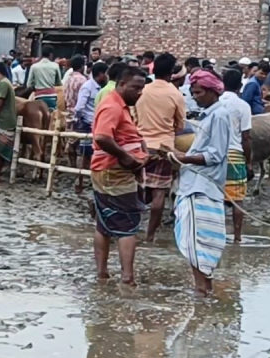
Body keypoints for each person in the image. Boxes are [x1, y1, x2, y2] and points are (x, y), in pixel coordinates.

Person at [170, 69, 231, 295]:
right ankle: (203, 289)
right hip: (196, 184)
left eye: (198, 93)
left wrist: (183, 157)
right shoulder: (209, 115)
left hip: (202, 187)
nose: (194, 97)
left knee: (198, 241)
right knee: (198, 240)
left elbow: (215, 155)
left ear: (212, 92)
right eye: (193, 93)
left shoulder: (219, 116)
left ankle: (202, 290)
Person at [91, 68, 148, 285]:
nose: (139, 93)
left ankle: (102, 274)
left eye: (141, 88)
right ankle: (127, 278)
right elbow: (102, 137)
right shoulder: (112, 106)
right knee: (127, 225)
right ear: (121, 84)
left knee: (104, 223)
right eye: (135, 88)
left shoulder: (119, 105)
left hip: (109, 170)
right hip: (115, 172)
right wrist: (126, 158)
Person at [135, 52, 186, 242]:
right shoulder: (175, 94)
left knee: (136, 188)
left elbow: (134, 116)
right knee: (159, 193)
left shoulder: (143, 90)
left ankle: (130, 229)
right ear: (171, 72)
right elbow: (180, 125)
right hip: (163, 148)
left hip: (141, 145)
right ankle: (150, 236)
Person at [217, 69, 253, 242]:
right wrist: (249, 161)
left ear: (223, 84)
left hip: (215, 155)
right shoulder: (243, 106)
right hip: (235, 155)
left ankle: (217, 235)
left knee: (216, 199)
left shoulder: (215, 103)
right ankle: (237, 238)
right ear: (240, 86)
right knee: (237, 200)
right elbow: (246, 137)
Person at [72, 61, 107, 193]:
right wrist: (81, 120)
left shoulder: (100, 87)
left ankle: (91, 181)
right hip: (87, 123)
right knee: (84, 153)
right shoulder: (87, 87)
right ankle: (79, 181)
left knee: (94, 153)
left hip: (97, 123)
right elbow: (79, 107)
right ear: (100, 74)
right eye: (105, 73)